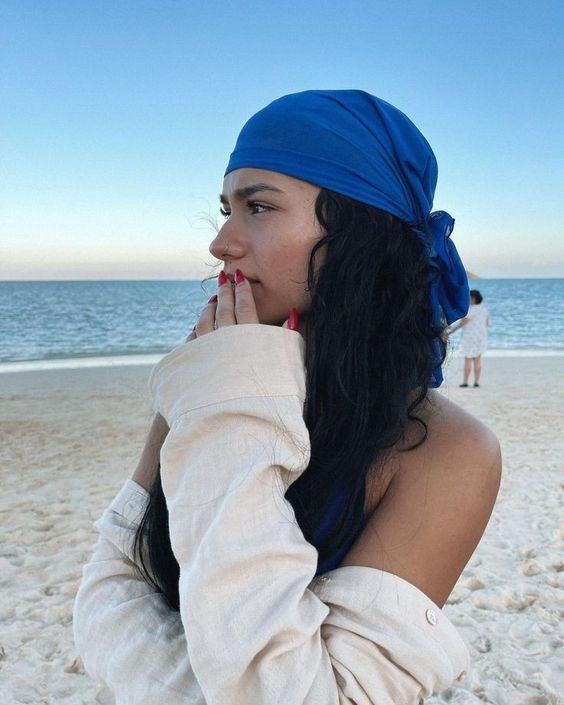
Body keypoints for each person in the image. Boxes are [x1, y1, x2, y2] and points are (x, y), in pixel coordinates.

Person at [73, 90, 502, 704]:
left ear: (359, 229)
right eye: (226, 208)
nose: (222, 242)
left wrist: (231, 417)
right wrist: (229, 390)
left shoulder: (446, 451)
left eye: (259, 207)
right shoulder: (212, 386)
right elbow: (110, 582)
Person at [448, 289, 491, 387]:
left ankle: (465, 382)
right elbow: (487, 323)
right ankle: (476, 382)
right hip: (481, 337)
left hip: (470, 337)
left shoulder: (471, 310)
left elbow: (461, 324)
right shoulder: (484, 309)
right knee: (477, 359)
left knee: (468, 359)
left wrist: (449, 332)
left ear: (473, 298)